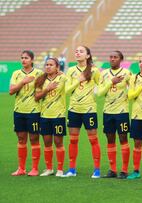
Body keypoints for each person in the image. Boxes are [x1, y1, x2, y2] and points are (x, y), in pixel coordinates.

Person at [62, 45, 101, 178]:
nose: (78, 53)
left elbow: (101, 89)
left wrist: (94, 93)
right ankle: (72, 169)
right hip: (74, 110)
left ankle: (97, 170)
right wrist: (77, 81)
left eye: (81, 51)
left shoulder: (95, 71)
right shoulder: (71, 70)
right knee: (73, 140)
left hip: (89, 110)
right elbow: (66, 91)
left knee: (93, 140)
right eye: (76, 51)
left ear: (88, 55)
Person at [97, 51, 131, 179]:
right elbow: (99, 93)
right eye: (110, 57)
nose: (112, 59)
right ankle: (112, 170)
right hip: (108, 112)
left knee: (123, 139)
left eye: (115, 57)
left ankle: (124, 170)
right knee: (110, 139)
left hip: (122, 112)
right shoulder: (104, 74)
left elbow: (132, 90)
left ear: (121, 59)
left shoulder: (127, 73)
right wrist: (111, 82)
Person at [9, 50, 43, 176]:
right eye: (22, 58)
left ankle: (34, 168)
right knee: (21, 139)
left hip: (34, 112)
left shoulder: (39, 73)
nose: (23, 60)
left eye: (26, 58)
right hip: (19, 111)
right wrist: (23, 82)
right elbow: (11, 91)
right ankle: (21, 168)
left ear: (32, 60)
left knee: (34, 138)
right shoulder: (16, 73)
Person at [34, 58, 66, 177]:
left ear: (57, 67)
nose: (48, 67)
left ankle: (60, 169)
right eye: (46, 65)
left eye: (51, 65)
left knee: (58, 142)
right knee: (47, 143)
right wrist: (47, 89)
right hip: (44, 116)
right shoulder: (40, 80)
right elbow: (36, 97)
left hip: (58, 116)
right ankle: (49, 169)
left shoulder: (62, 78)